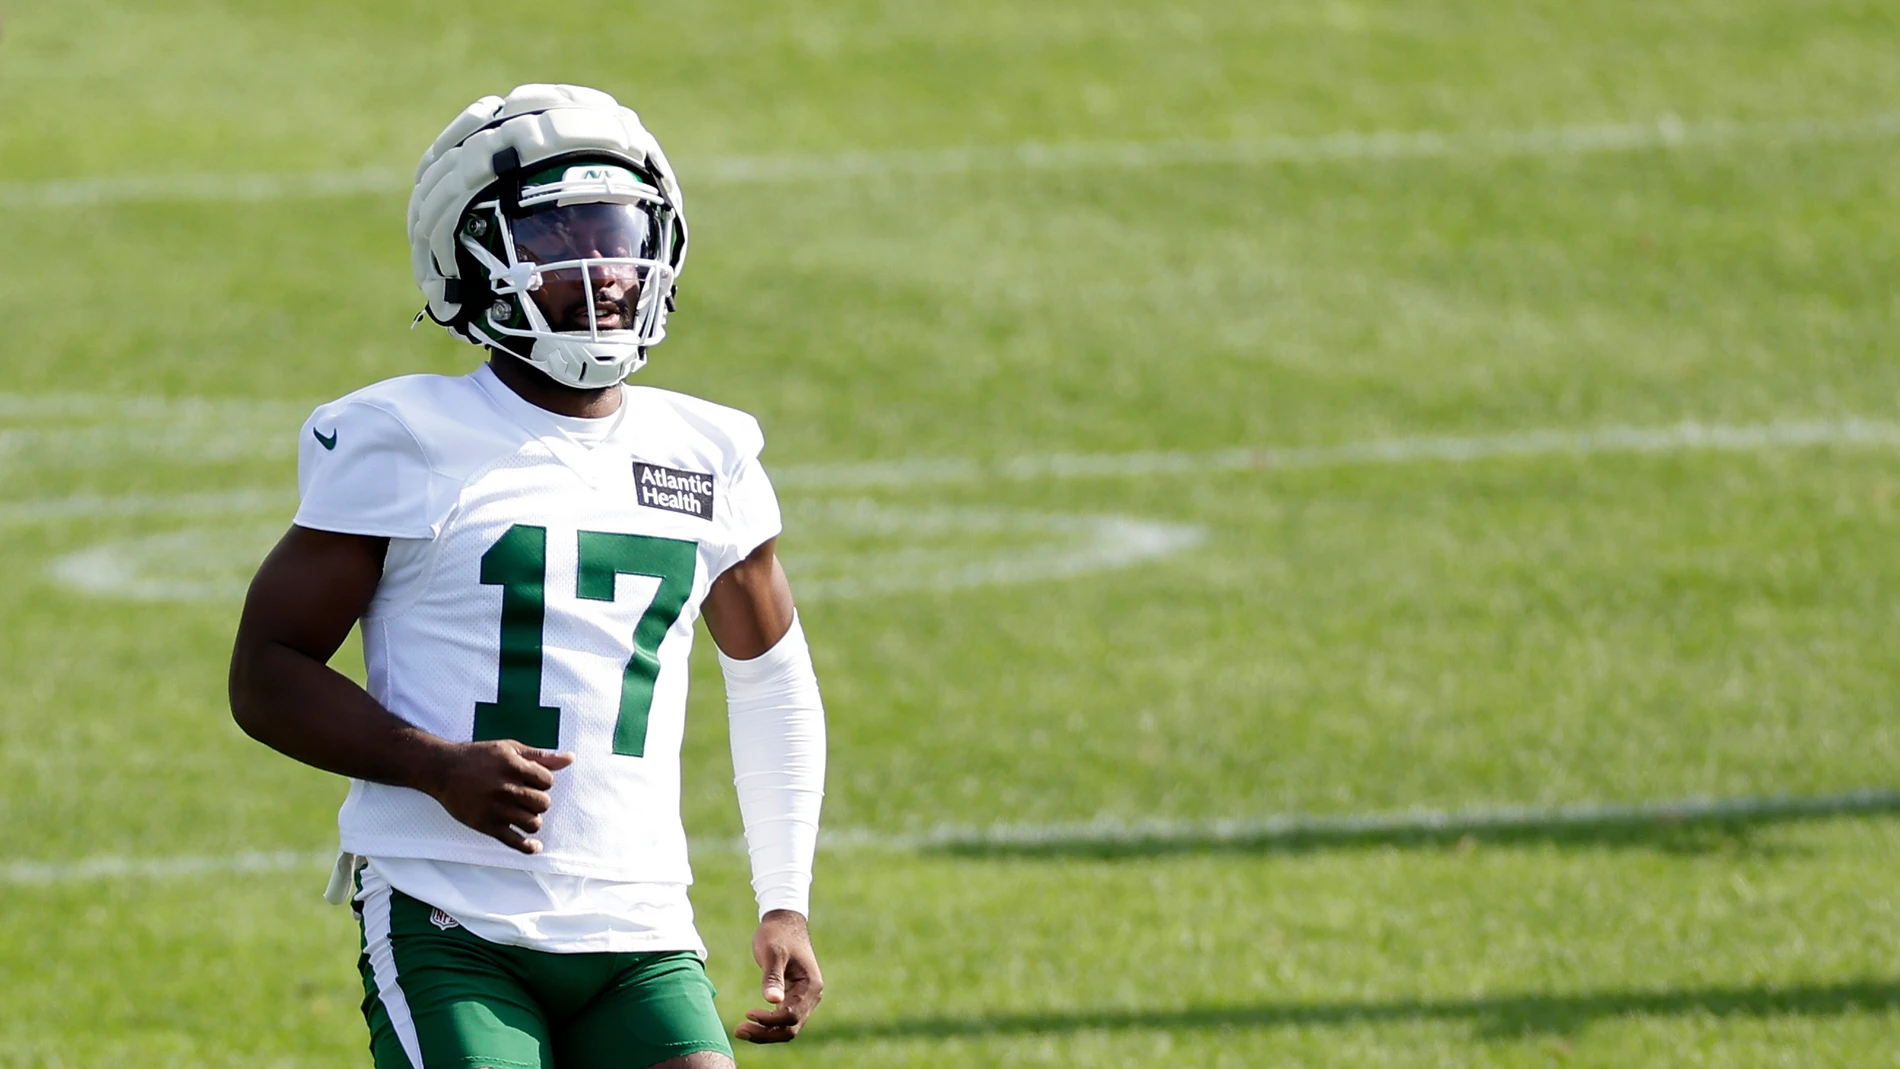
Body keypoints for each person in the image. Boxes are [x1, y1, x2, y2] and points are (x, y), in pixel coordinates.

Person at [228, 84, 826, 1069]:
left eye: (622, 233)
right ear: (471, 262)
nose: (606, 269)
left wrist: (784, 896)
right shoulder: (407, 434)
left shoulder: (707, 449)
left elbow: (772, 683)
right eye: (561, 239)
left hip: (640, 926)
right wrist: (435, 765)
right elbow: (266, 671)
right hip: (450, 910)